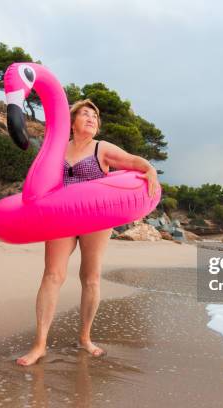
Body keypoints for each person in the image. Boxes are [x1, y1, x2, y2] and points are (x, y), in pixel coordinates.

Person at [16, 99, 159, 365]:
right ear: (72, 122)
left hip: (96, 218)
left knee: (90, 278)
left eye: (95, 115)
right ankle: (39, 345)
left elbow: (131, 161)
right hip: (62, 217)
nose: (91, 118)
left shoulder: (101, 148)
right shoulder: (57, 148)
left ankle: (85, 338)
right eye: (85, 114)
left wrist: (149, 169)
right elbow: (40, 180)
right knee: (52, 275)